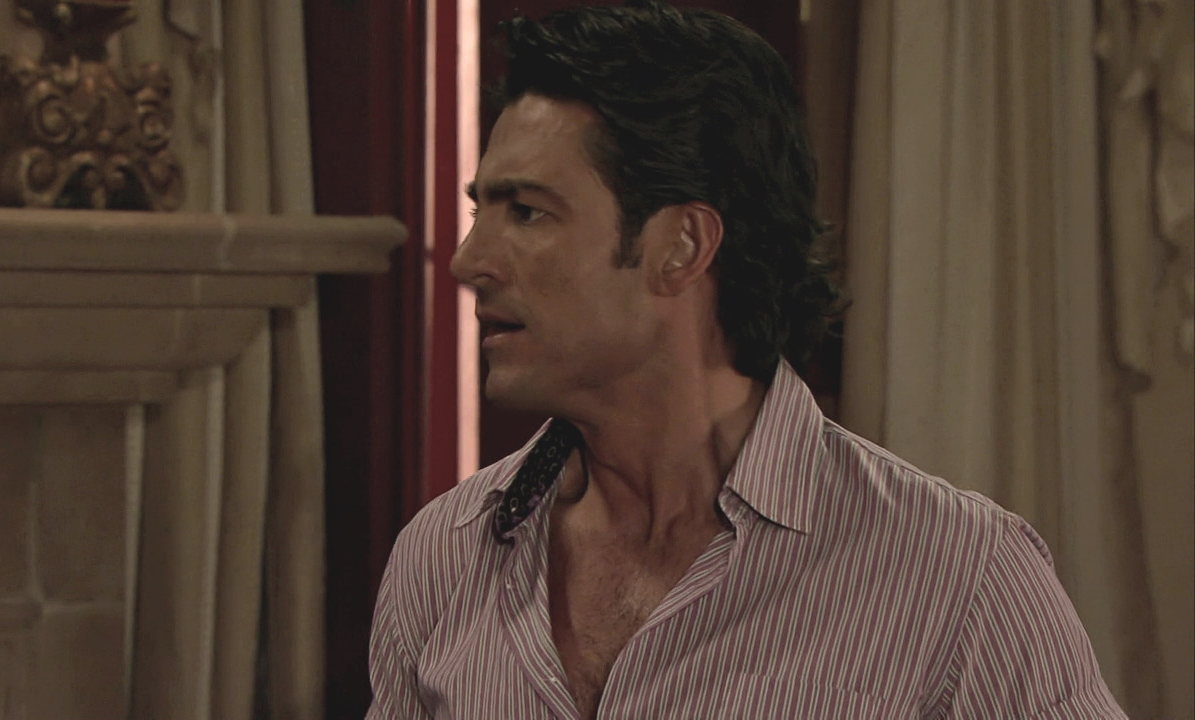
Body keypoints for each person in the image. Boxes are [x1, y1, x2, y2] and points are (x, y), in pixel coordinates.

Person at [367, 2, 1128, 717]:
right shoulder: (444, 559)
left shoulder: (959, 580)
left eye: (528, 212)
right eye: (481, 211)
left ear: (683, 246)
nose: (469, 260)